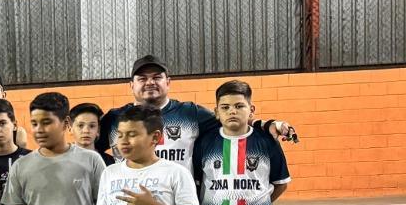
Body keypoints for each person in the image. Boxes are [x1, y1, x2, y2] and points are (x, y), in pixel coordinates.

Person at [97, 55, 296, 168]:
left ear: (168, 82)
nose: (150, 82)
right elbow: (90, 148)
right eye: (142, 78)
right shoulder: (115, 118)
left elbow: (229, 120)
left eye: (157, 77)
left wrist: (267, 124)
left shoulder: (190, 114)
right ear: (131, 85)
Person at [3, 92, 108, 205]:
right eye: (34, 123)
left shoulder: (91, 160)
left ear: (66, 123)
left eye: (46, 122)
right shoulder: (21, 166)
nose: (39, 130)